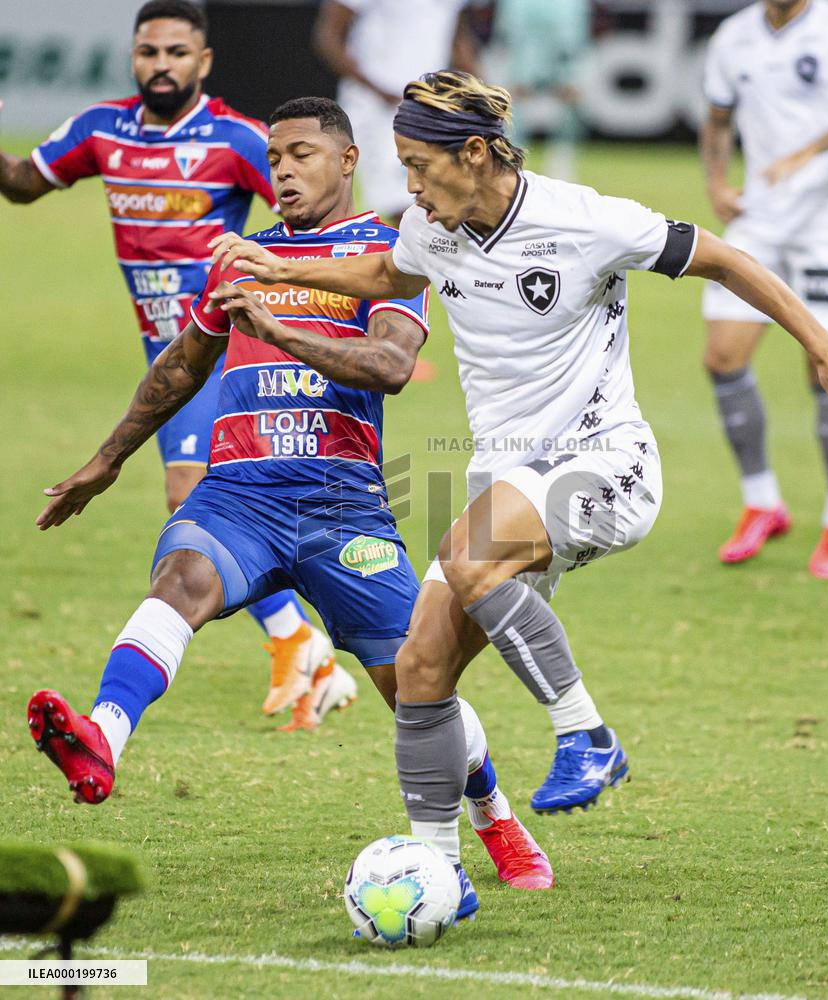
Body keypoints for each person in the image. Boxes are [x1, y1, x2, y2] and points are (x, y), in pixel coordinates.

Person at [207, 71, 828, 912]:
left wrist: (823, 350)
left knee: (465, 552)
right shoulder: (434, 224)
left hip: (605, 462)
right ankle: (438, 873)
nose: (409, 185)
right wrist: (278, 264)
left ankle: (586, 735)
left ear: (478, 152)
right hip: (510, 480)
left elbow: (727, 259)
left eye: (420, 164)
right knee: (419, 666)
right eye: (402, 167)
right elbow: (386, 272)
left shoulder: (586, 220)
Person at [27, 97, 554, 914]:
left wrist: (276, 329)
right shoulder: (239, 259)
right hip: (240, 490)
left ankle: (494, 815)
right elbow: (181, 366)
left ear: (346, 162)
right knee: (180, 581)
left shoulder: (388, 253)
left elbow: (387, 364)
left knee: (416, 684)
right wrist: (105, 461)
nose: (282, 171)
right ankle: (101, 738)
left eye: (302, 154)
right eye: (273, 157)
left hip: (344, 504)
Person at [0, 0, 340, 726]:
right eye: (149, 52)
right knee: (212, 502)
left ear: (203, 62)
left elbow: (319, 213)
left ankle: (301, 643)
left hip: (227, 346)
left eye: (177, 54)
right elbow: (25, 182)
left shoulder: (234, 138)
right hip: (169, 353)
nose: (162, 66)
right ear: (133, 57)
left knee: (192, 497)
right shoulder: (100, 131)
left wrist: (282, 281)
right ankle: (302, 643)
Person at [700, 0, 828, 578]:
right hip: (762, 215)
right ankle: (762, 502)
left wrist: (808, 152)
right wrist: (716, 183)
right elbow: (717, 118)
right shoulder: (734, 36)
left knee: (826, 368)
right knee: (723, 356)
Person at [313, 0, 476, 225]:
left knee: (447, 195)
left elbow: (457, 40)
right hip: (376, 110)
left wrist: (480, 92)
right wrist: (379, 91)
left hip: (428, 107)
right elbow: (329, 36)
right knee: (405, 204)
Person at [492, 0, 590, 181]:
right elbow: (508, 33)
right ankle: (512, 163)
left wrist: (572, 74)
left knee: (571, 111)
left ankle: (561, 163)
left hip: (561, 58)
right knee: (511, 111)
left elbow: (576, 36)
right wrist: (515, 70)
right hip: (524, 58)